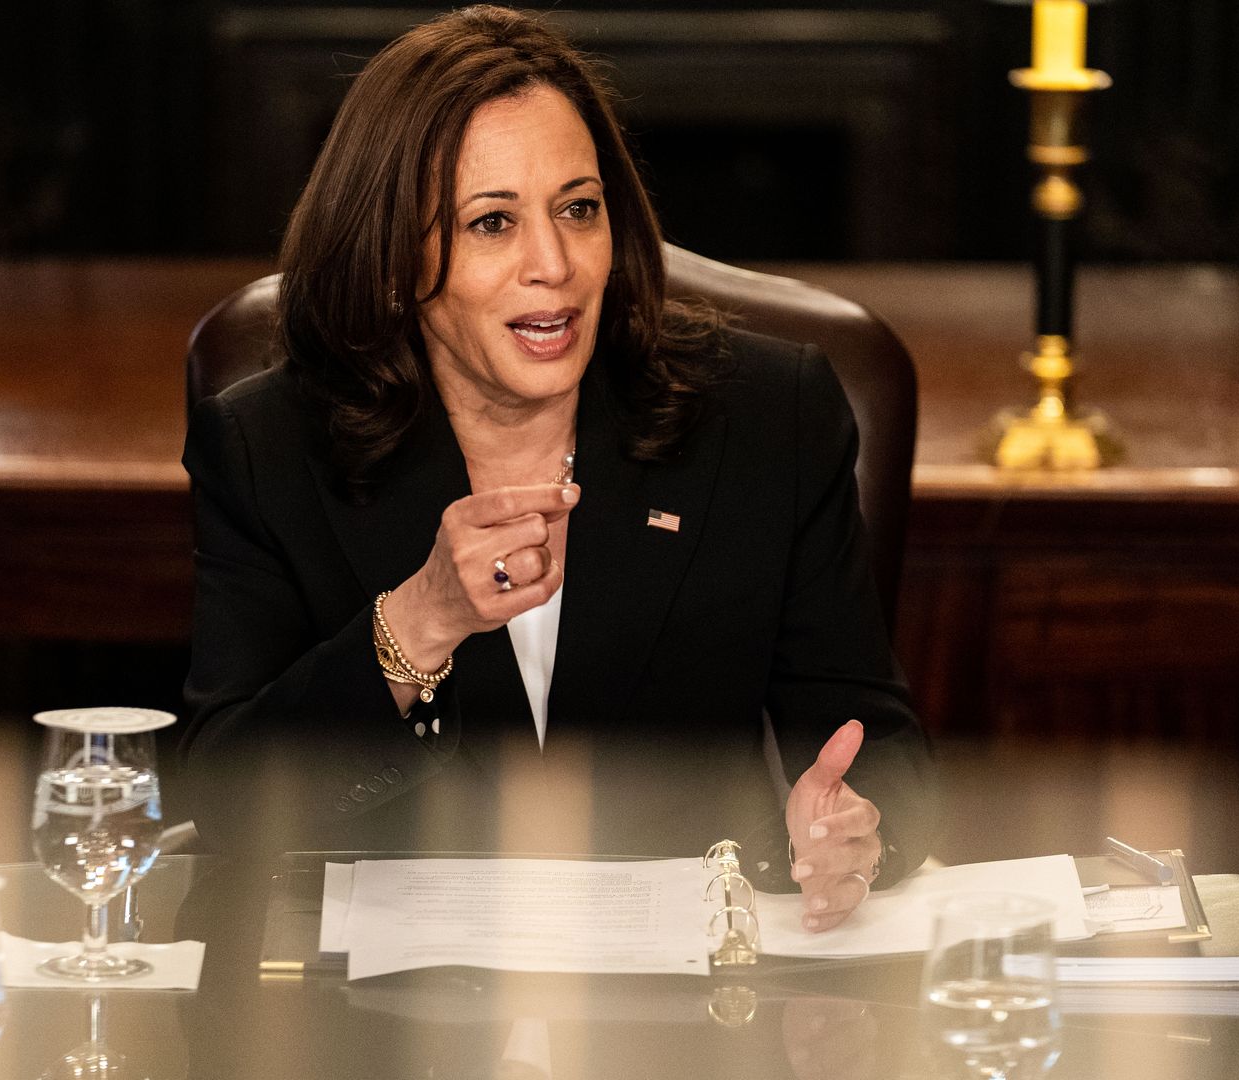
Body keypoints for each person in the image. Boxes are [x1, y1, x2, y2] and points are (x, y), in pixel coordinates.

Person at [181, 5, 936, 931]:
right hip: (393, 1026)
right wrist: (417, 624)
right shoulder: (269, 447)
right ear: (388, 259)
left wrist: (858, 829)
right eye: (492, 223)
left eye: (579, 210)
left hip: (682, 1021)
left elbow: (878, 747)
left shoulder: (767, 418)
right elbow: (222, 805)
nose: (556, 264)